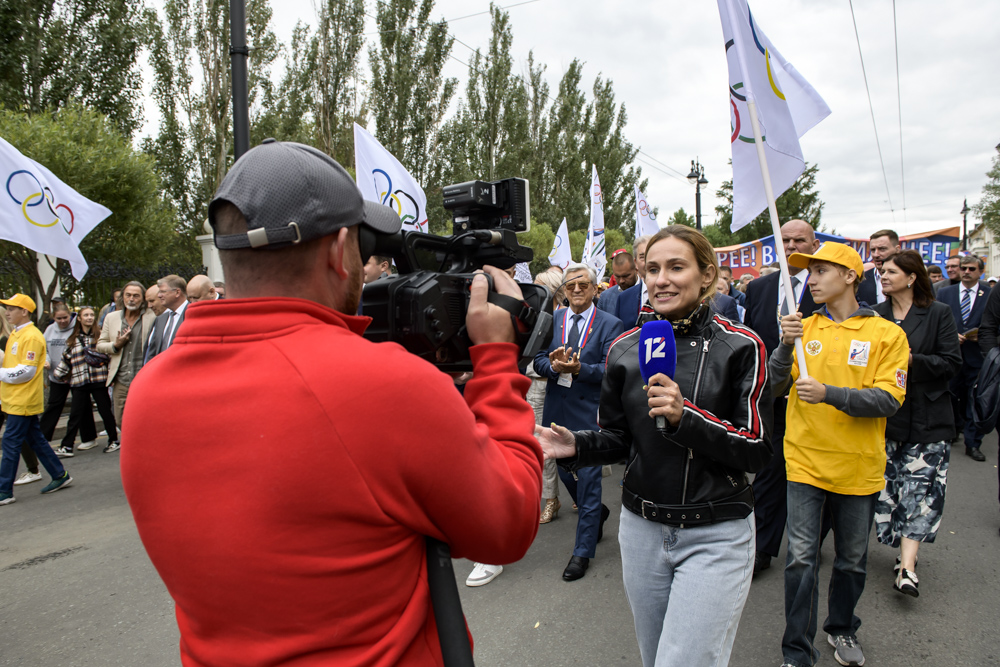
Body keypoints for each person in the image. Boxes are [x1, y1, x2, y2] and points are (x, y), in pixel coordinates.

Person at [120, 140, 542, 666]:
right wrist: (497, 361)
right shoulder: (387, 386)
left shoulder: (147, 392)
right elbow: (506, 526)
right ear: (338, 249)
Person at [537, 226, 771, 665]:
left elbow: (757, 448)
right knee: (654, 657)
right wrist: (577, 445)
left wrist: (687, 418)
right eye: (653, 268)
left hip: (715, 531)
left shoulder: (742, 346)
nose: (660, 279)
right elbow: (620, 439)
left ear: (706, 275)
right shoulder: (626, 349)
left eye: (676, 267)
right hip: (641, 529)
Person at [772, 242, 908, 667]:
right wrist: (782, 346)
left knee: (851, 560)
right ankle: (797, 648)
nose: (810, 279)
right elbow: (773, 387)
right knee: (800, 560)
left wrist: (831, 394)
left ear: (850, 276)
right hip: (804, 461)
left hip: (858, 466)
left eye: (820, 271)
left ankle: (843, 628)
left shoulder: (887, 333)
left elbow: (889, 399)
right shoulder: (803, 327)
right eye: (808, 273)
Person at [872, 250, 961, 598]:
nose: (884, 276)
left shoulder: (938, 313)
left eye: (891, 271)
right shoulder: (875, 316)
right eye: (882, 271)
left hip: (929, 416)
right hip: (888, 417)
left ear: (911, 277)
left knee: (921, 490)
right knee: (889, 489)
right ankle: (899, 551)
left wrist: (910, 361)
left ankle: (907, 567)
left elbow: (951, 362)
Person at [534, 262, 623, 582]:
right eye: (570, 286)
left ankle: (582, 551)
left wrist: (579, 371)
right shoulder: (552, 320)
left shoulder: (610, 324)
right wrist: (555, 368)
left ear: (594, 287)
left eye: (582, 285)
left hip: (589, 412)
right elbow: (538, 359)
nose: (575, 290)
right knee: (562, 470)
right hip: (558, 410)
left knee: (588, 481)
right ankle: (596, 512)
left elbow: (611, 368)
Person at [743, 219, 820, 575]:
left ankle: (819, 531)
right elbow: (750, 339)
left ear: (813, 243)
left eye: (799, 240)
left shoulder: (823, 287)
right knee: (771, 469)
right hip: (768, 393)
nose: (791, 246)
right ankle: (763, 546)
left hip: (814, 394)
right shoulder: (759, 288)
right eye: (784, 240)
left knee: (811, 471)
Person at [0, 294, 74, 506]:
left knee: (11, 442)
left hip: (23, 399)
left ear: (24, 311)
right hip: (15, 397)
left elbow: (27, 370)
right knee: (35, 439)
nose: (7, 312)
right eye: (7, 308)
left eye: (12, 308)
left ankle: (4, 490)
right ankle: (60, 474)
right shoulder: (17, 333)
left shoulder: (31, 336)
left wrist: (1, 374)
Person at [938, 255, 990, 461]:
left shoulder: (990, 294)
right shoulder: (945, 293)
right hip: (952, 355)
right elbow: (937, 321)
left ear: (980, 272)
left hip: (977, 357)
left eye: (971, 269)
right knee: (949, 395)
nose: (966, 272)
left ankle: (973, 443)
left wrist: (983, 336)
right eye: (964, 268)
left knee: (974, 399)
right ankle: (952, 430)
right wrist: (951, 336)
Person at [53, 306, 120, 454]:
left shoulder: (101, 336)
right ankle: (67, 446)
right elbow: (66, 359)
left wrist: (112, 375)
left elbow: (110, 355)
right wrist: (58, 374)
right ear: (79, 318)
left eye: (91, 315)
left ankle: (114, 440)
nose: (89, 317)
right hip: (79, 381)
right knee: (75, 415)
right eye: (86, 315)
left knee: (105, 412)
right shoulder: (73, 339)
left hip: (99, 379)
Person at [39, 303, 97, 458]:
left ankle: (89, 437)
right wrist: (47, 360)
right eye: (59, 318)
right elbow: (43, 348)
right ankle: (42, 439)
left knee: (81, 406)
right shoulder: (50, 329)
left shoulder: (76, 328)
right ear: (54, 318)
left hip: (75, 374)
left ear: (70, 315)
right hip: (57, 374)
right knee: (54, 406)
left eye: (65, 317)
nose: (63, 321)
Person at [97, 281, 156, 431]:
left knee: (145, 419)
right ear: (122, 297)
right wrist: (115, 345)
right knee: (120, 420)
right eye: (128, 295)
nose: (131, 299)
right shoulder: (112, 318)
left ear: (143, 299)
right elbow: (100, 344)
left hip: (143, 379)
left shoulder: (152, 317)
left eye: (136, 296)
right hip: (121, 379)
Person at [144, 275, 189, 363]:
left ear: (177, 292)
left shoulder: (192, 314)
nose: (159, 295)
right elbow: (152, 353)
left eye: (163, 291)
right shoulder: (160, 319)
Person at [615, 235, 652, 328]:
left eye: (651, 254)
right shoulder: (624, 298)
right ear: (635, 263)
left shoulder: (675, 293)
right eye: (642, 257)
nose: (648, 261)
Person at [856, 229, 899, 306]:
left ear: (897, 250)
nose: (876, 254)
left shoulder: (910, 280)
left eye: (882, 249)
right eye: (873, 250)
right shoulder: (859, 282)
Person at [597, 250, 638, 316]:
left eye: (626, 276)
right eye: (617, 276)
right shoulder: (605, 297)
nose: (621, 281)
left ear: (636, 270)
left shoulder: (647, 293)